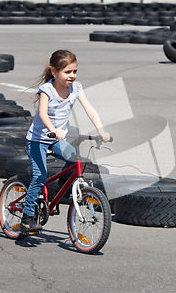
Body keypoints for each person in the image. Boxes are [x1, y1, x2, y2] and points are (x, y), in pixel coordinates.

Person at [21, 49, 110, 232]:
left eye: (74, 71)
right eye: (67, 72)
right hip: (38, 139)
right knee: (40, 176)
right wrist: (53, 130)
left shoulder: (76, 88)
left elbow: (90, 111)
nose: (72, 76)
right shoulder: (47, 90)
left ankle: (63, 187)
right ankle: (27, 216)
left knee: (74, 159)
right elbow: (42, 114)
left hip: (56, 138)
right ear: (54, 72)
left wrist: (101, 130)